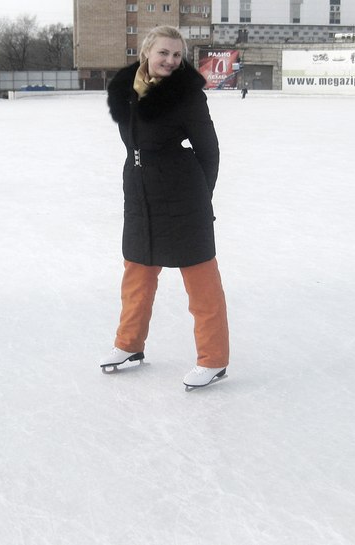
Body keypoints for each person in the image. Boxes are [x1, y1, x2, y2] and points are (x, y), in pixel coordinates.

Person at [99, 26, 230, 389]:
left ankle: (214, 359)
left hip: (183, 194)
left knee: (201, 279)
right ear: (146, 52)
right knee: (137, 273)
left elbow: (209, 151)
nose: (171, 60)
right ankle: (129, 344)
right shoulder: (126, 90)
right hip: (140, 191)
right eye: (164, 53)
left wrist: (201, 196)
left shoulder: (187, 96)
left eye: (176, 54)